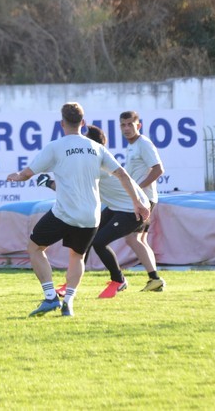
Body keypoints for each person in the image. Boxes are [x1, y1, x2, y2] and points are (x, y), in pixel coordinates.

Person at [6, 102, 149, 318]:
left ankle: (50, 297)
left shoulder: (56, 147)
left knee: (35, 247)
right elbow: (122, 174)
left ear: (62, 123)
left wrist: (16, 176)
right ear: (83, 123)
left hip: (64, 214)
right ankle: (69, 302)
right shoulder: (96, 148)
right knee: (77, 257)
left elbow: (27, 174)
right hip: (90, 217)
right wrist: (137, 202)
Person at [83, 125, 151, 299]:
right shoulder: (95, 158)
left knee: (98, 242)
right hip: (120, 207)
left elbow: (123, 176)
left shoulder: (95, 161)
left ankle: (119, 280)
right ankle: (72, 281)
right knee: (88, 237)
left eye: (84, 138)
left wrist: (49, 183)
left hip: (131, 210)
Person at [120, 110, 167, 292]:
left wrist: (138, 189)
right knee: (140, 239)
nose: (126, 128)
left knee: (131, 238)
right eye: (123, 125)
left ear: (138, 125)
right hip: (143, 198)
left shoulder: (143, 143)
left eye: (130, 124)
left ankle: (154, 278)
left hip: (145, 199)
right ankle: (154, 281)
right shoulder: (132, 145)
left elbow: (158, 169)